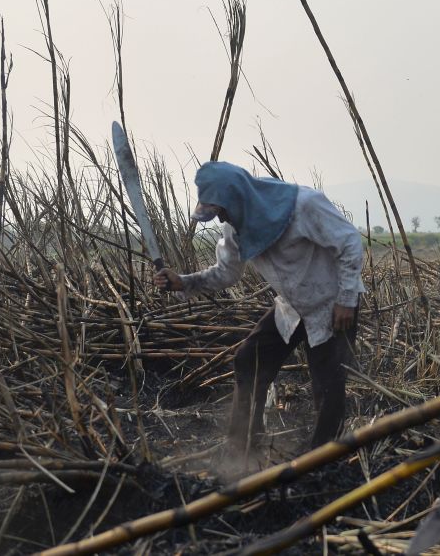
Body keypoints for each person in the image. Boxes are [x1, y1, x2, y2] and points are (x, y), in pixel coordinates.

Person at [153, 162, 364, 458]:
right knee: (248, 361)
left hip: (332, 306)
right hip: (291, 309)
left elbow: (350, 243)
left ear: (238, 199)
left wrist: (347, 299)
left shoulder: (304, 205)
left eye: (222, 211)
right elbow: (227, 273)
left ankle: (324, 458)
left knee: (327, 384)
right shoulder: (234, 226)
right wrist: (183, 283)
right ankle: (243, 446)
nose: (221, 218)